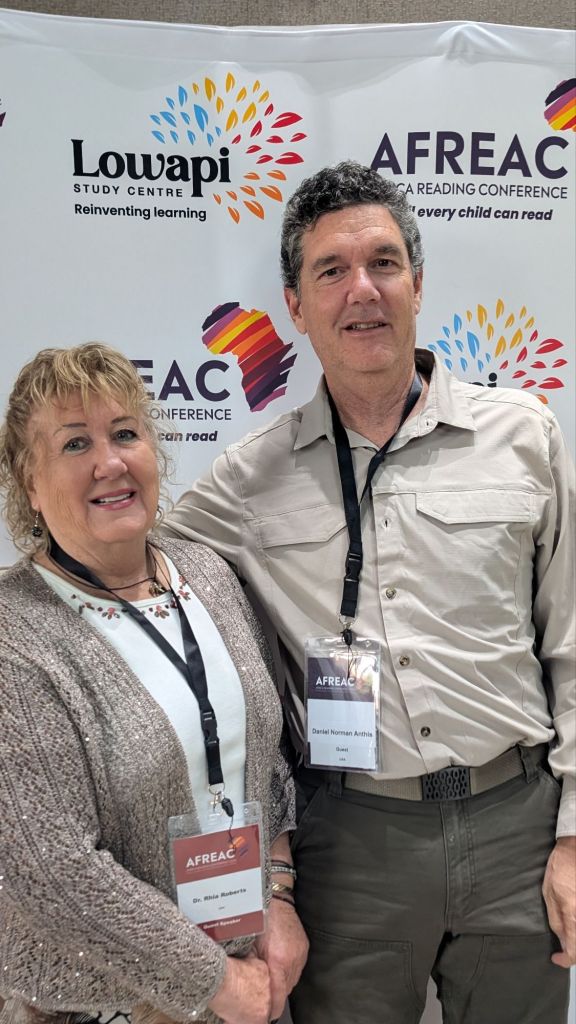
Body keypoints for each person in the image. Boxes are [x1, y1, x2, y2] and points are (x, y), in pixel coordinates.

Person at [162, 160, 575, 1024]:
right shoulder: (247, 479)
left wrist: (574, 833)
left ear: (418, 284)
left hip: (520, 828)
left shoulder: (524, 435)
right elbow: (124, 556)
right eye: (331, 271)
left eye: (384, 263)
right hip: (352, 847)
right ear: (295, 305)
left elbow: (572, 645)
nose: (363, 290)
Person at [0, 343, 308, 1024]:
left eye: (125, 433)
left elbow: (263, 761)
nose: (110, 462)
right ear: (29, 483)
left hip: (248, 973)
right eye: (75, 443)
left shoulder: (209, 576)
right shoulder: (13, 636)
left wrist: (279, 895)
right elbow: (52, 873)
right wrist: (214, 981)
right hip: (105, 1005)